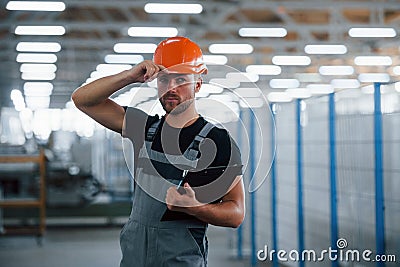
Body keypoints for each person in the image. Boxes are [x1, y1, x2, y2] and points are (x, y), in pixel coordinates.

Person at [72, 36, 245, 267]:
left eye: (181, 79)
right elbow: (82, 100)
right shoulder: (142, 128)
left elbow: (236, 212)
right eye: (164, 80)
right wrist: (130, 76)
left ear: (198, 84)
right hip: (135, 256)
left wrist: (196, 208)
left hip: (179, 259)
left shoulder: (218, 142)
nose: (171, 88)